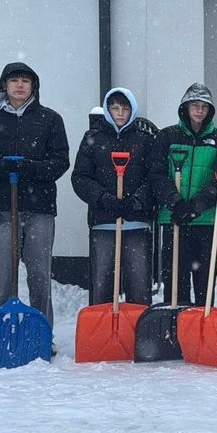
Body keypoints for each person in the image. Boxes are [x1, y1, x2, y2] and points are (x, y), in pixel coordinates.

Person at [0, 62, 69, 351]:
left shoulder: (49, 119)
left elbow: (60, 162)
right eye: (14, 81)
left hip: (40, 209)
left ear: (33, 86)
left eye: (26, 81)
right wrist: (2, 167)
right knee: (0, 276)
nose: (20, 85)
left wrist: (29, 167)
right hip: (0, 208)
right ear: (4, 85)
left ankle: (42, 335)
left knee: (40, 276)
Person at [148, 83, 217, 308]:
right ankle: (175, 328)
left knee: (205, 282)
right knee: (176, 281)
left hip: (206, 221)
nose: (199, 111)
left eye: (204, 106)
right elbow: (156, 174)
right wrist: (175, 203)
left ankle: (201, 327)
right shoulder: (167, 137)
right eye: (195, 105)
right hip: (174, 219)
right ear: (185, 108)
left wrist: (196, 205)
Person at [71, 88, 157, 308]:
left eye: (125, 108)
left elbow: (154, 176)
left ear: (132, 110)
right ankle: (103, 336)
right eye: (115, 107)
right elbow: (80, 177)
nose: (120, 113)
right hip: (104, 223)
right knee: (102, 286)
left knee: (139, 287)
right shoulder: (93, 139)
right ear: (107, 109)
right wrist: (104, 198)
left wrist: (136, 201)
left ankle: (138, 335)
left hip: (136, 223)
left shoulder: (144, 140)